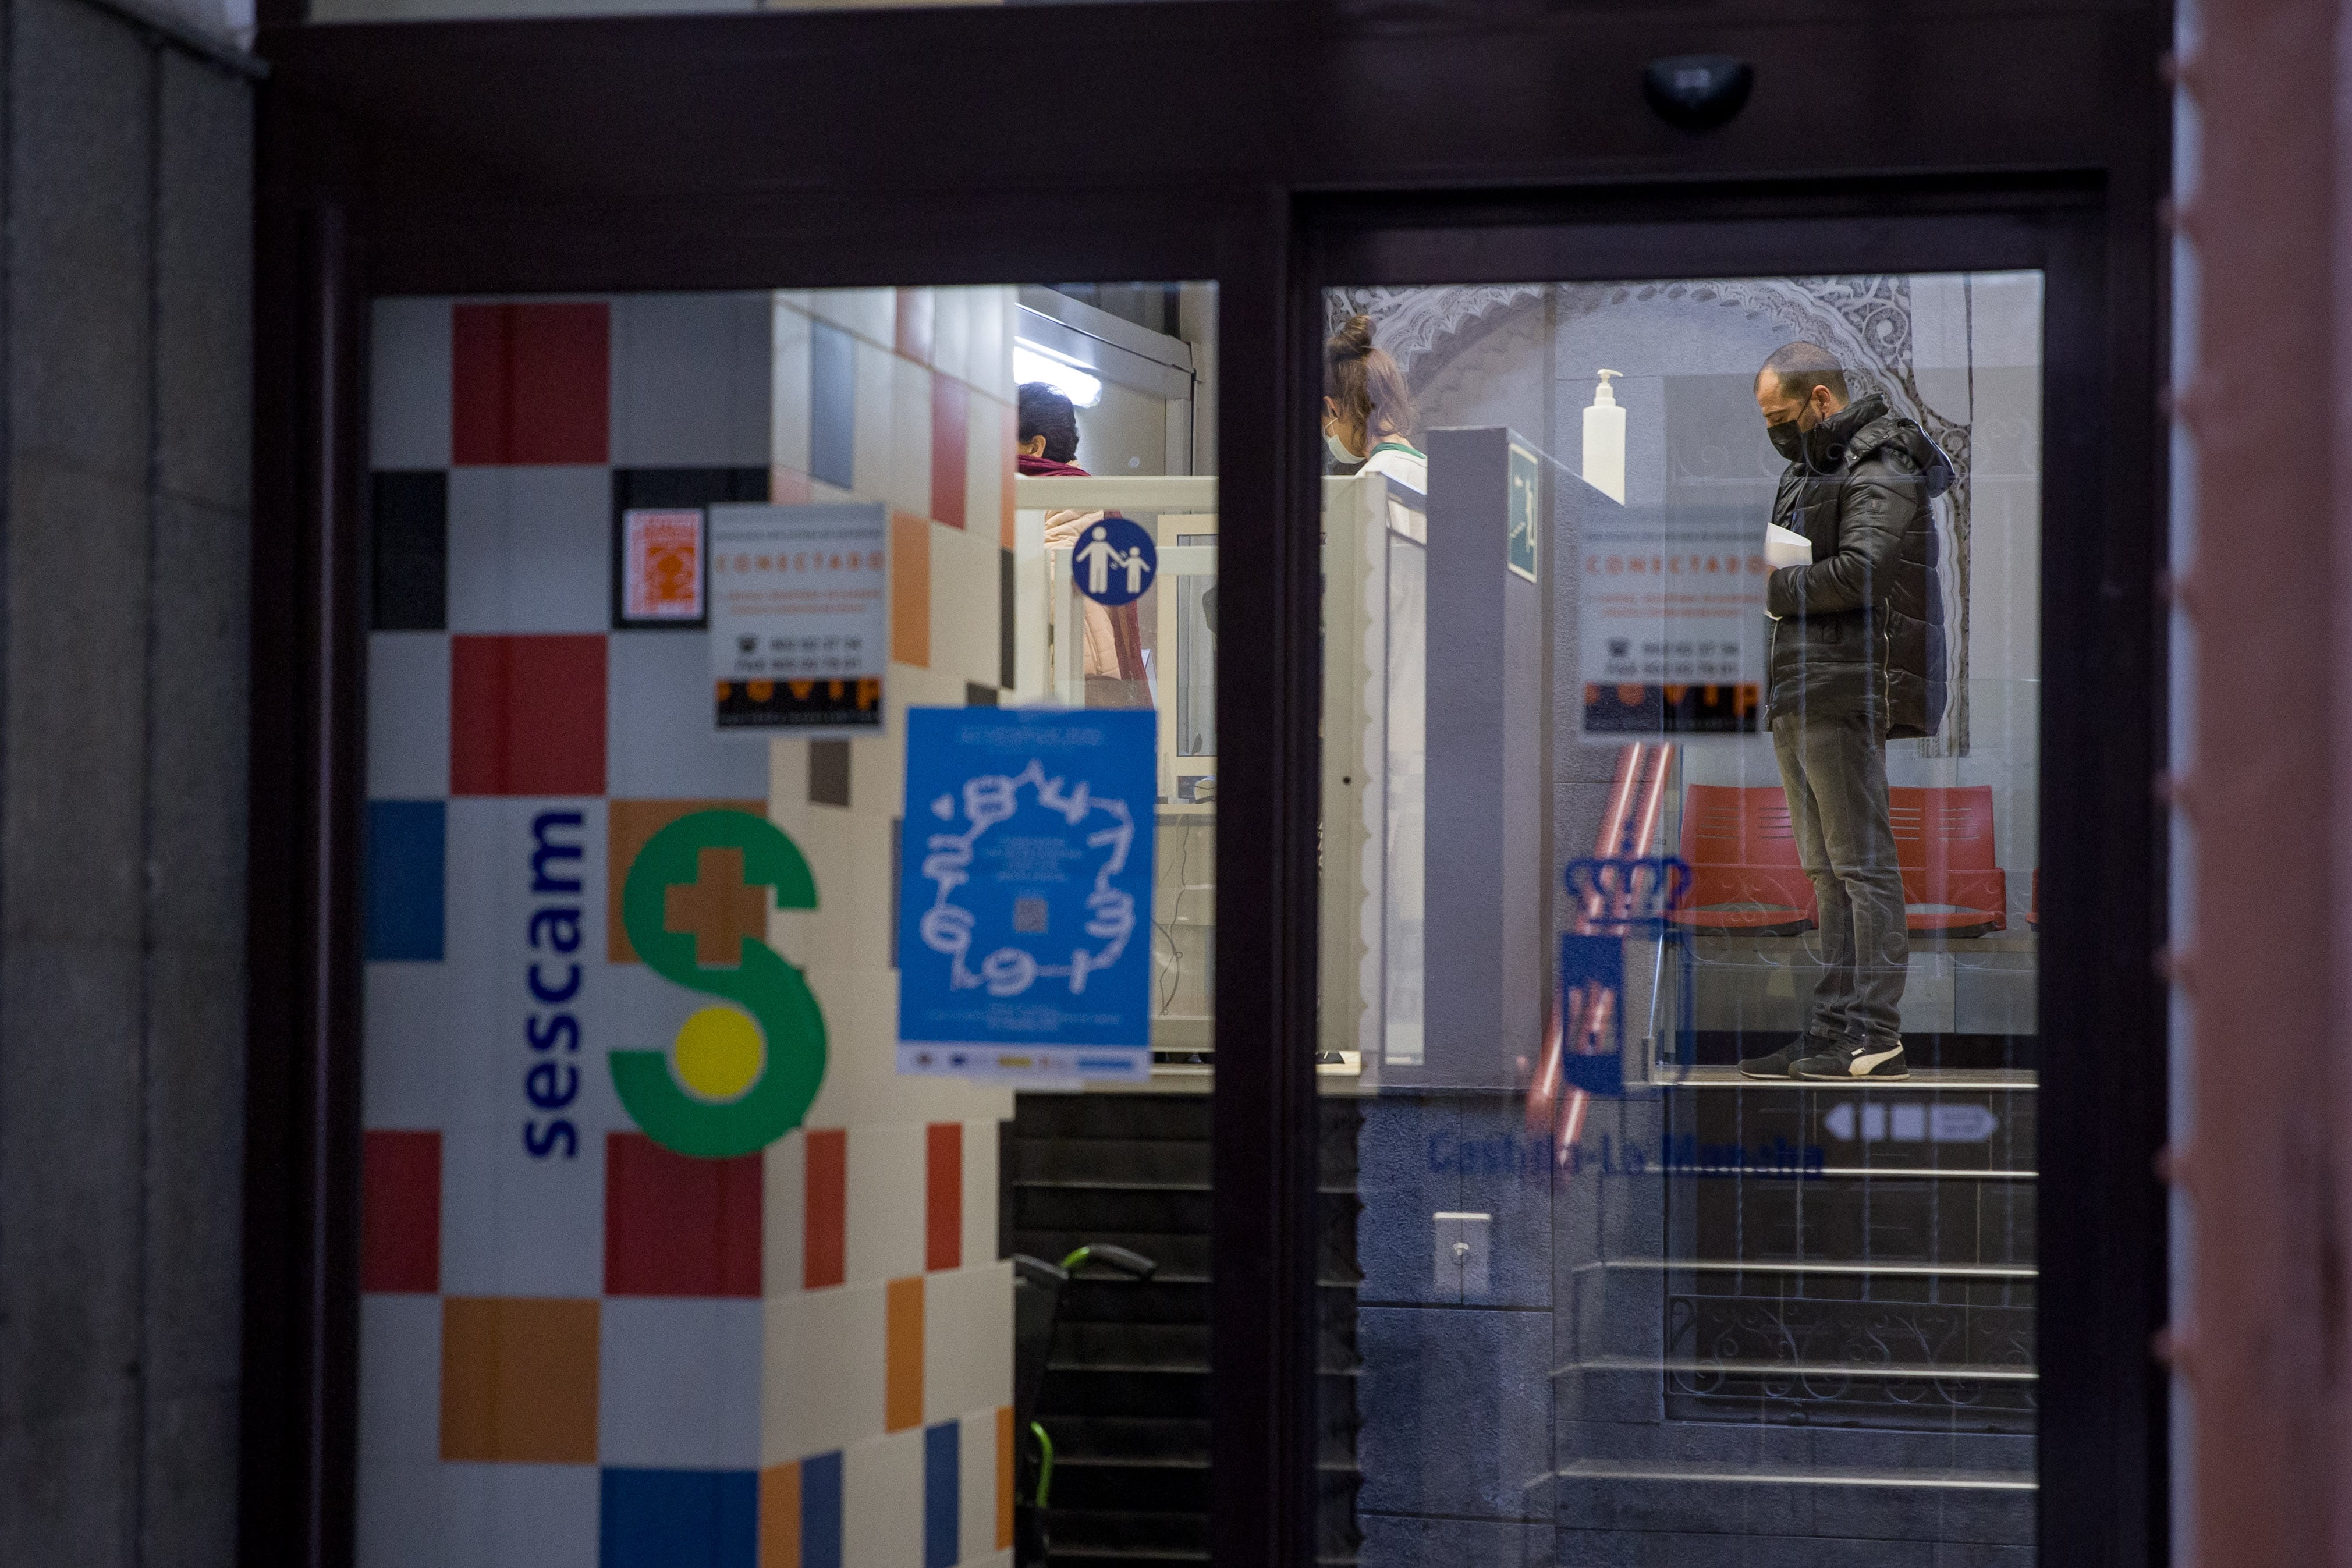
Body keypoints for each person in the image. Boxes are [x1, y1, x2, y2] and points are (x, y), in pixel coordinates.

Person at [1737, 341, 1951, 1083]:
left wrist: (1767, 587)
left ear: (1821, 399)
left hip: (1849, 687)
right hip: (1801, 685)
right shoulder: (1808, 469)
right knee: (1827, 873)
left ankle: (1875, 1034)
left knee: (1861, 868)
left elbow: (1863, 573)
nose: (1776, 432)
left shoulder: (1881, 461)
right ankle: (1832, 1029)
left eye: (1781, 416)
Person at [1017, 382, 1148, 705]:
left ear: (1036, 447)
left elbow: (1048, 584)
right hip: (1057, 669)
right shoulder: (1050, 494)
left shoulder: (1073, 497)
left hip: (1070, 677)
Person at [1324, 315, 1427, 491]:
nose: (1328, 437)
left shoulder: (1364, 487)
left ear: (1333, 409)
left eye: (1325, 428)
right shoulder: (1435, 474)